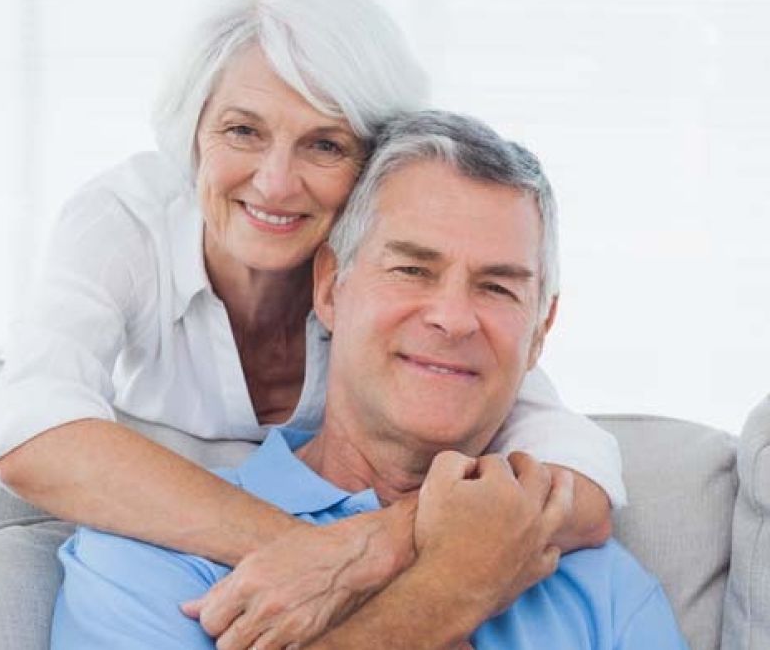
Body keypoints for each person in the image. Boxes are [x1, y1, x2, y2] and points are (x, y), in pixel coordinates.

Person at [0, 0, 624, 642]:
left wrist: (376, 541)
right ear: (193, 132)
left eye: (325, 144)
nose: (276, 182)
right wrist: (317, 553)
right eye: (242, 130)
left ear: (375, 168)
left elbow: (581, 478)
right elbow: (28, 427)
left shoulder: (398, 301)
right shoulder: (127, 224)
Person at [51, 110, 687, 650]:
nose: (453, 317)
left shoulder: (603, 587)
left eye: (497, 287)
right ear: (330, 287)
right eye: (412, 269)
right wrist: (450, 589)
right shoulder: (146, 555)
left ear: (540, 331)